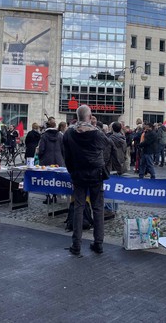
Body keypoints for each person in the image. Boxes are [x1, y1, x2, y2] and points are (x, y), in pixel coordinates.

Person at [62, 104, 108, 256]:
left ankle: (76, 245)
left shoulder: (69, 133)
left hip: (79, 173)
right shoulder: (97, 133)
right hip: (96, 173)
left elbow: (66, 155)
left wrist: (72, 170)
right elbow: (107, 145)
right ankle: (99, 243)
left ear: (77, 116)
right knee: (98, 208)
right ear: (89, 116)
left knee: (78, 207)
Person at [38, 119, 65, 204]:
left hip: (46, 160)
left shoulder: (44, 136)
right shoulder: (60, 136)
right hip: (58, 160)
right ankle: (55, 196)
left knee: (47, 180)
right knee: (55, 180)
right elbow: (63, 149)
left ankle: (48, 197)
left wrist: (40, 157)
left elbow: (41, 149)